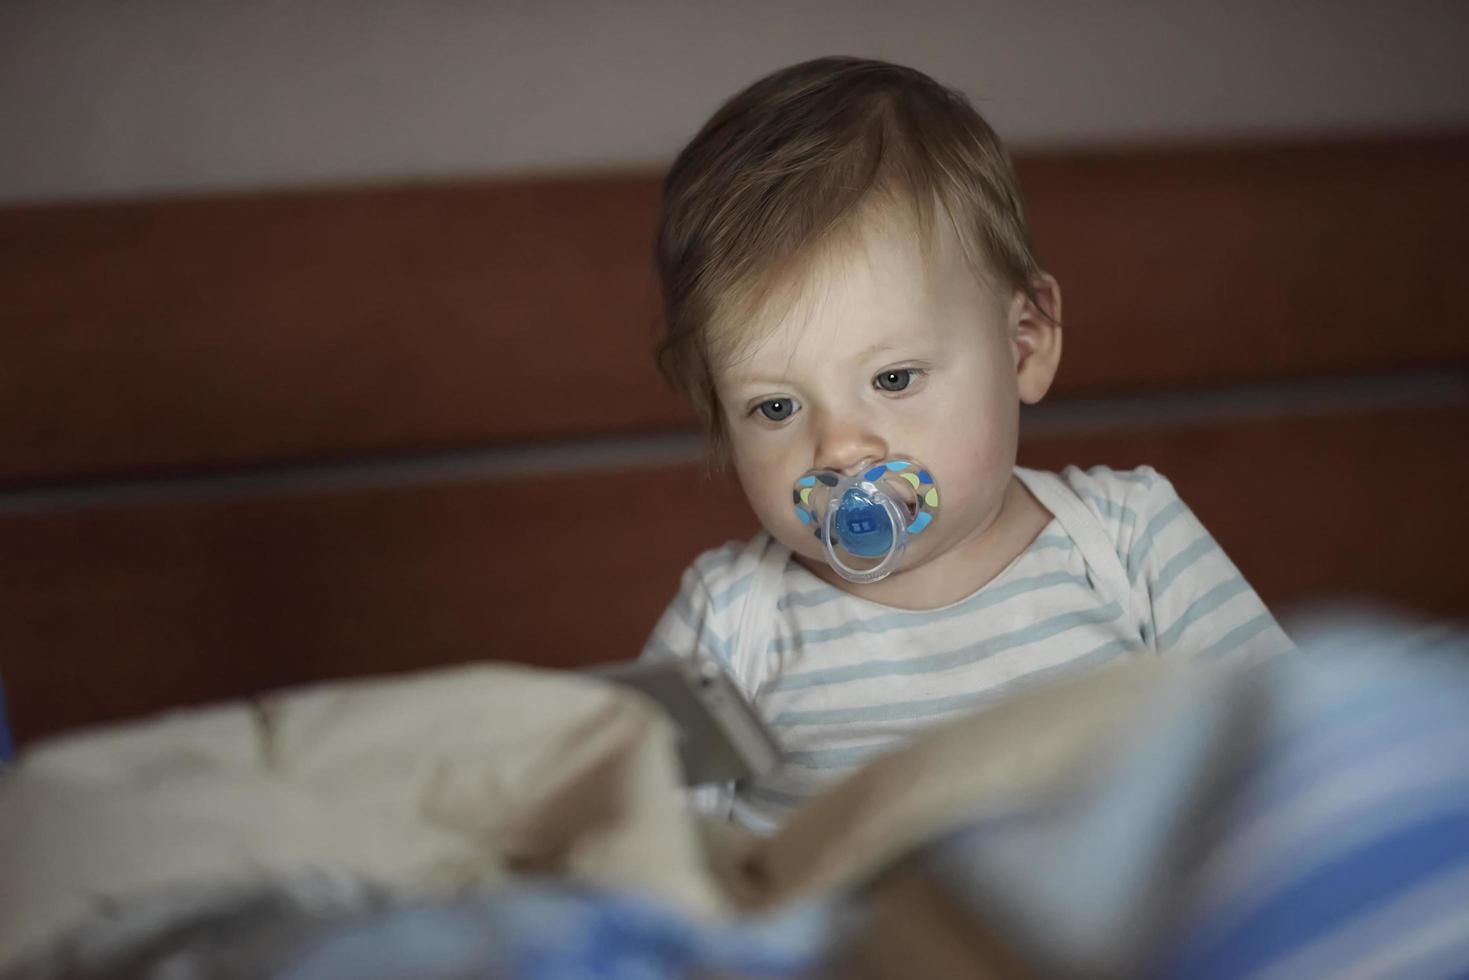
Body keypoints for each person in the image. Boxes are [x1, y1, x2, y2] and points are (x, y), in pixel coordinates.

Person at [641, 56, 1291, 832]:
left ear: (1023, 344)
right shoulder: (731, 620)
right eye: (775, 405)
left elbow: (1294, 759)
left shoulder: (1128, 543)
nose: (841, 447)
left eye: (893, 379)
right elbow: (635, 846)